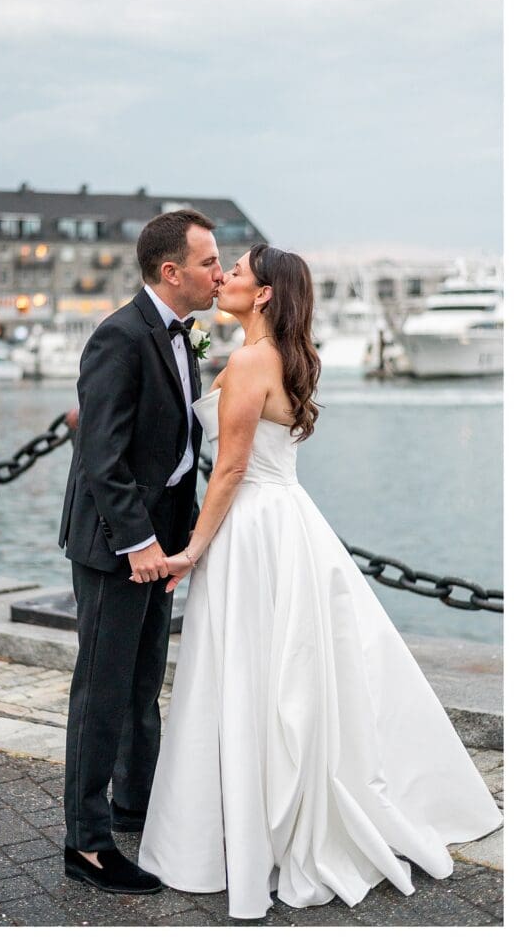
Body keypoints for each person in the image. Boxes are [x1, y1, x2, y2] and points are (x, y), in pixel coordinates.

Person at [138, 243, 503, 919]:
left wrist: (191, 550)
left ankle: (241, 830)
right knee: (289, 675)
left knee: (255, 675)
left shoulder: (250, 361)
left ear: (267, 294)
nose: (225, 278)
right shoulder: (286, 357)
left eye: (237, 273)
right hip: (287, 523)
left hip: (253, 531)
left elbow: (231, 470)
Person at [58, 208, 223, 894]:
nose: (220, 272)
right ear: (170, 271)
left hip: (164, 545)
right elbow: (102, 455)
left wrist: (178, 544)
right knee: (101, 691)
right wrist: (140, 544)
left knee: (141, 688)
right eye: (210, 262)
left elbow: (177, 446)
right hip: (117, 547)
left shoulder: (185, 336)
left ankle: (136, 805)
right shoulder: (118, 338)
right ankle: (88, 844)